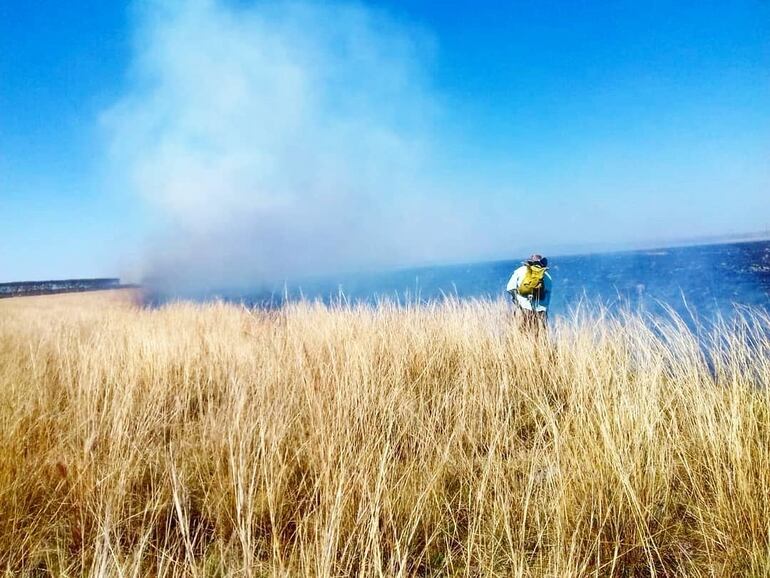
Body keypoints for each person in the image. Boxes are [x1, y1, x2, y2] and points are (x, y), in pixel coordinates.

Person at [506, 253, 552, 330]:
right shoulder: (546, 275)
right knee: (540, 335)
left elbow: (510, 288)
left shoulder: (519, 271)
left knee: (521, 332)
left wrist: (517, 301)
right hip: (540, 310)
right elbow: (548, 294)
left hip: (523, 307)